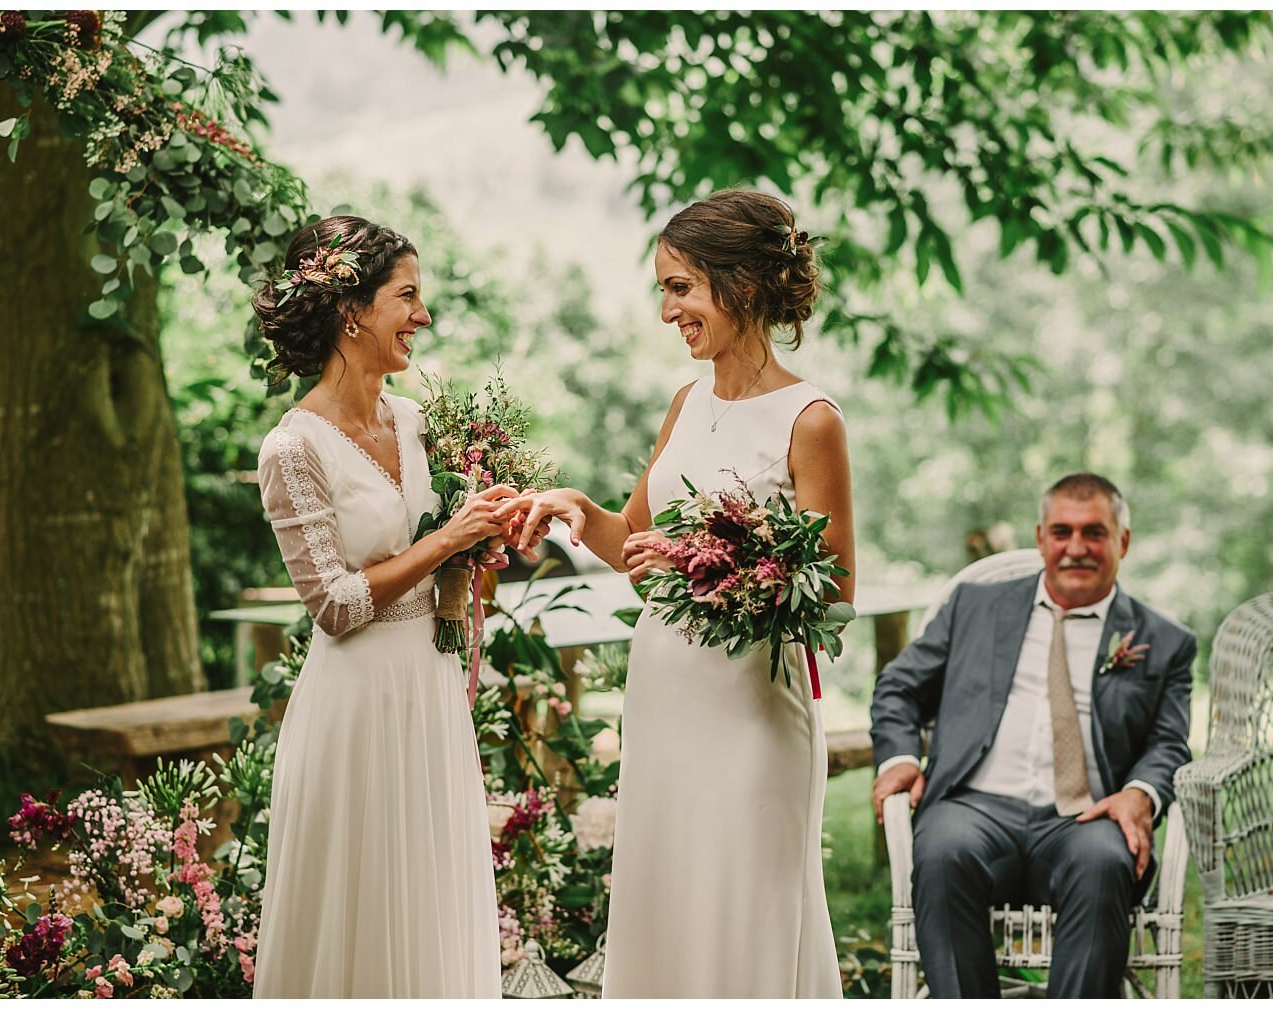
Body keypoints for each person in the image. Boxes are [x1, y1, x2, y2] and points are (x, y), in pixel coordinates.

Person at [512, 190, 852, 997]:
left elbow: (834, 589)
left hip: (753, 704)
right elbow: (635, 546)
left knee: (743, 901)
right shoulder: (685, 403)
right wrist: (574, 509)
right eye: (664, 289)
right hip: (664, 689)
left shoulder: (810, 418)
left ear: (739, 285)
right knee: (666, 896)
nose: (668, 311)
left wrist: (712, 559)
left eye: (681, 288)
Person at [248, 215, 536, 997]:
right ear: (352, 312)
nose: (424, 315)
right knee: (362, 903)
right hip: (356, 700)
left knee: (429, 895)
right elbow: (336, 604)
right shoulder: (292, 448)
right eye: (407, 296)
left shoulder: (414, 423)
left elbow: (429, 569)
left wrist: (480, 546)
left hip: (428, 689)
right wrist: (446, 540)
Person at [869, 473, 1195, 998]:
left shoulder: (1164, 641)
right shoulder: (973, 605)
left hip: (1084, 817)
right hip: (973, 807)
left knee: (1106, 862)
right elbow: (899, 687)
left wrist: (1140, 793)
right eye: (1062, 532)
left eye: (1094, 533)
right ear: (1041, 537)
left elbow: (1169, 742)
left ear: (1122, 542)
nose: (1076, 548)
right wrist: (901, 759)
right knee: (942, 853)